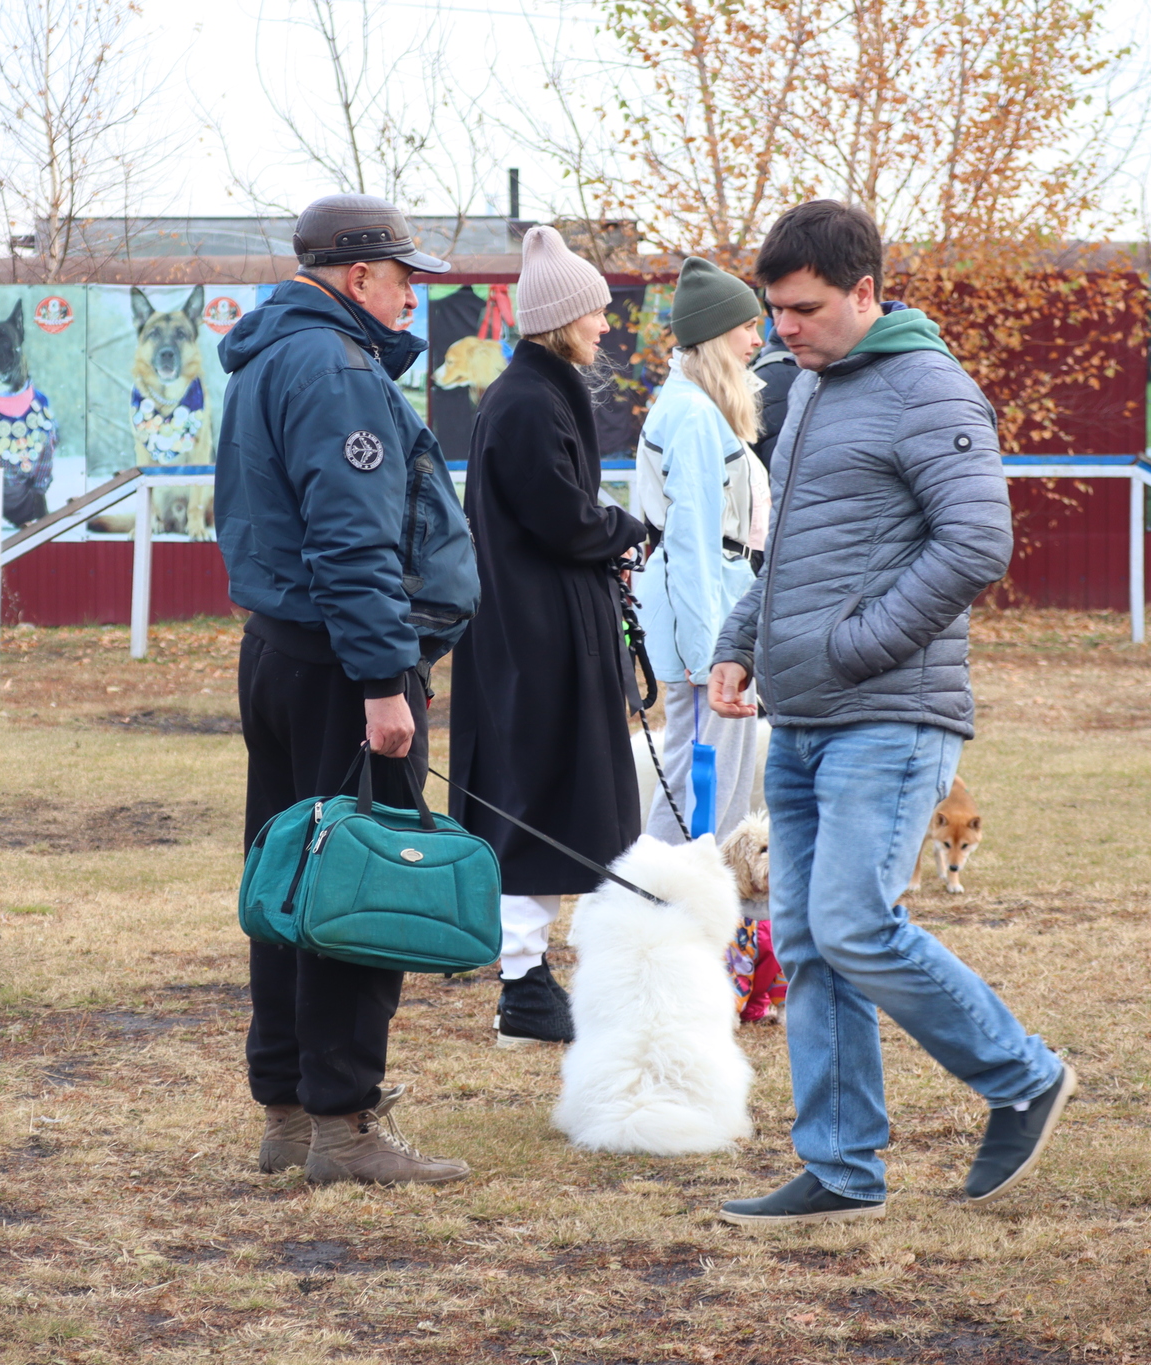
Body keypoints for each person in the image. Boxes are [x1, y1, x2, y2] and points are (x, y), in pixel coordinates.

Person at [708, 200, 1073, 1225]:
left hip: (889, 710)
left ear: (865, 293)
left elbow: (973, 546)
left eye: (804, 309)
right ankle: (839, 1167)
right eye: (773, 311)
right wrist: (744, 641)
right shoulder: (809, 389)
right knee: (808, 936)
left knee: (857, 925)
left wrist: (851, 648)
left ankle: (1020, 1074)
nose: (782, 329)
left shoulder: (925, 387)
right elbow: (799, 556)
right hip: (806, 715)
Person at [214, 193, 479, 1186]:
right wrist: (381, 681)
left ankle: (286, 1111)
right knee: (359, 888)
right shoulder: (337, 368)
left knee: (287, 886)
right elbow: (352, 540)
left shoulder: (271, 357)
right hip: (342, 664)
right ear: (357, 278)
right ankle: (343, 1124)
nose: (414, 293)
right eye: (404, 275)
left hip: (282, 651)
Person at [448, 225, 650, 1047]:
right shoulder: (529, 401)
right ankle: (524, 984)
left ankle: (535, 981)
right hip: (537, 641)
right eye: (596, 312)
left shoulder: (534, 391)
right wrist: (627, 530)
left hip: (546, 632)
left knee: (553, 799)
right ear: (564, 318)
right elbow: (562, 517)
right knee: (537, 800)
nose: (605, 325)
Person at [632, 255, 771, 845]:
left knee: (711, 773)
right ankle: (670, 912)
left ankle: (691, 917)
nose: (758, 340)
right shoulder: (691, 414)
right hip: (707, 611)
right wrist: (707, 649)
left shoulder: (700, 407)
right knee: (708, 779)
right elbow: (690, 541)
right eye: (748, 326)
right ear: (718, 334)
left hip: (719, 600)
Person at [749, 311, 799, 471]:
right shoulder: (785, 375)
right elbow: (783, 474)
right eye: (747, 327)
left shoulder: (771, 366)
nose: (756, 340)